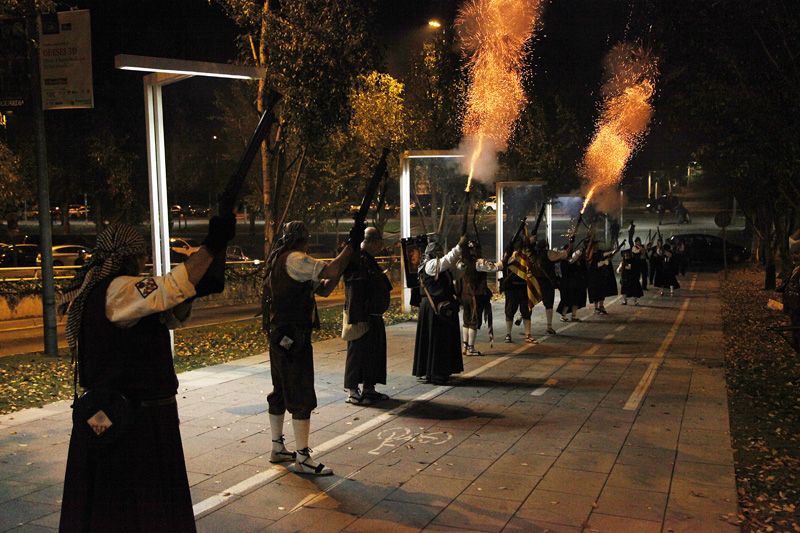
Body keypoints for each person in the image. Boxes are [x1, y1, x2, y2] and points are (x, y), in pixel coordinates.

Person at [58, 217, 235, 532]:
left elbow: (166, 306)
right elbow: (167, 287)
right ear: (130, 256)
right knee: (136, 508)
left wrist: (198, 280)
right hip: (133, 425)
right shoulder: (118, 289)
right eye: (140, 255)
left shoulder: (112, 292)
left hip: (127, 417)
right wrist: (211, 246)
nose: (144, 261)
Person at [265, 220, 364, 476]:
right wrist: (348, 251)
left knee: (281, 390)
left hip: (281, 334)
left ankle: (278, 447)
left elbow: (326, 288)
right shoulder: (296, 259)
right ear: (303, 238)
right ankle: (302, 457)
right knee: (301, 392)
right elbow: (330, 270)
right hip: (292, 335)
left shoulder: (281, 258)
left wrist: (343, 261)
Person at [342, 227, 392, 405]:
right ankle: (352, 390)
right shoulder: (359, 260)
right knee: (357, 353)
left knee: (373, 353)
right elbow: (355, 289)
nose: (381, 246)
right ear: (371, 241)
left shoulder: (367, 260)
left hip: (372, 315)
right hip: (363, 315)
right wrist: (357, 317)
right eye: (379, 241)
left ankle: (369, 389)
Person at [413, 236, 466, 385]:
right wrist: (459, 247)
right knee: (437, 341)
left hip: (441, 308)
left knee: (442, 340)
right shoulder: (430, 265)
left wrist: (463, 262)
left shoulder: (437, 266)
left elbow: (453, 272)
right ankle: (436, 373)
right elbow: (447, 261)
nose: (440, 254)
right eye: (437, 252)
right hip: (434, 308)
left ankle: (438, 371)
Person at [455, 239, 503, 356]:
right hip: (475, 296)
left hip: (464, 295)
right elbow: (495, 267)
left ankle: (465, 346)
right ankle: (471, 348)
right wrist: (504, 260)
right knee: (473, 322)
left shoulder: (460, 262)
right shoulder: (479, 263)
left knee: (466, 321)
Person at [530, 237, 570, 334]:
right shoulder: (549, 253)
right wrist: (569, 245)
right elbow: (564, 255)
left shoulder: (533, 255)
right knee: (549, 305)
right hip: (547, 282)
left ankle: (522, 318)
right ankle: (549, 326)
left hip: (534, 281)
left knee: (531, 301)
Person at [502, 238, 539, 343]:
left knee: (526, 312)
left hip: (524, 287)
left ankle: (528, 334)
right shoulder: (510, 257)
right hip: (512, 288)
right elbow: (506, 263)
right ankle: (508, 334)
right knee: (509, 312)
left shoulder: (526, 257)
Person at [586, 239, 619, 314]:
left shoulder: (599, 251)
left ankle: (601, 306)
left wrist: (612, 252)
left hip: (600, 275)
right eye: (595, 244)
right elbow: (592, 263)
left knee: (602, 291)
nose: (597, 246)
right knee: (595, 292)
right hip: (593, 276)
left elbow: (604, 254)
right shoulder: (588, 254)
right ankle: (596, 307)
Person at [556, 246, 587, 322]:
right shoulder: (563, 261)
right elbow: (570, 262)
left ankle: (574, 315)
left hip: (576, 283)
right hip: (567, 283)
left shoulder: (576, 261)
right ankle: (563, 315)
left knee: (576, 300)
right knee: (567, 300)